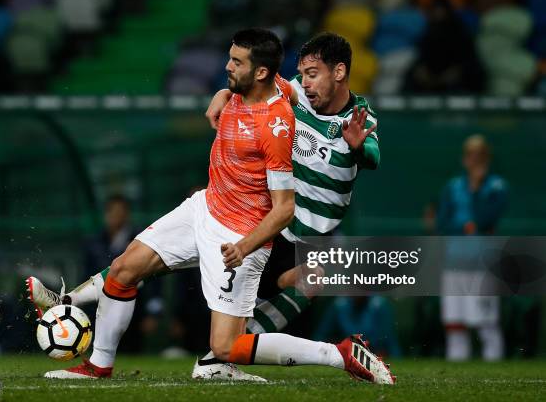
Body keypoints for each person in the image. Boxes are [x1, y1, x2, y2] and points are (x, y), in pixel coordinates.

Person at [28, 31, 394, 384]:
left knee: (285, 299)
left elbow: (370, 158)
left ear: (340, 72)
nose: (305, 82)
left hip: (284, 231)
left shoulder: (342, 121)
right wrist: (223, 92)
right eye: (303, 74)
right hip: (217, 208)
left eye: (313, 74)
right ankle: (82, 332)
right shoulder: (289, 91)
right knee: (127, 267)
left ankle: (333, 354)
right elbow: (262, 85)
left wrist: (359, 147)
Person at [438, 134, 508, 361]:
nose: (474, 160)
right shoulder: (453, 186)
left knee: (485, 322)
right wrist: (466, 227)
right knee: (454, 322)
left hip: (481, 263)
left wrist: (477, 190)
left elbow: (487, 218)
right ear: (465, 159)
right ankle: (456, 371)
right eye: (470, 155)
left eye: (479, 155)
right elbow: (443, 223)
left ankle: (495, 372)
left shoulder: (496, 186)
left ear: (487, 158)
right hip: (454, 261)